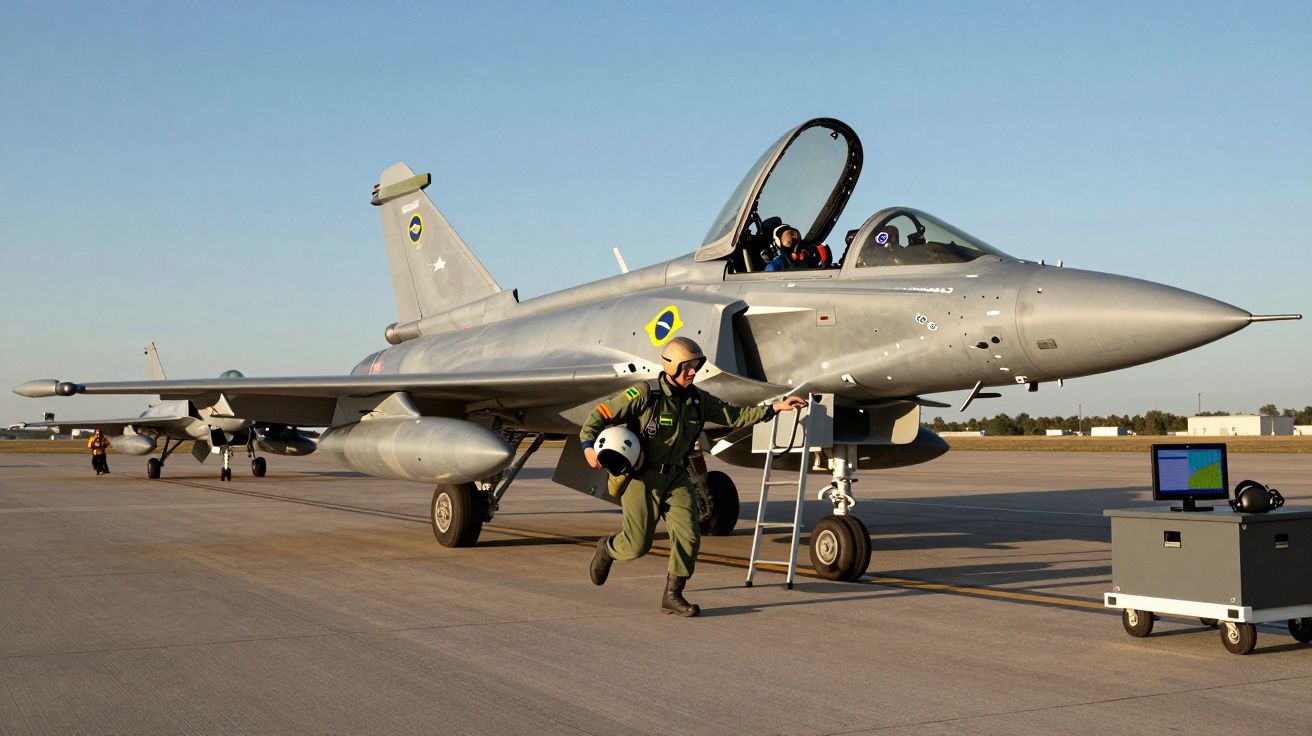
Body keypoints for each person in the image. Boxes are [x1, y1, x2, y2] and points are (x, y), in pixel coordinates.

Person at [580, 337, 807, 616]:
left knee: (689, 536)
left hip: (676, 477)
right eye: (687, 367)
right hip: (642, 478)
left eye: (696, 366)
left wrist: (773, 408)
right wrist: (589, 447)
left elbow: (733, 415)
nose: (693, 372)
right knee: (636, 546)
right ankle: (608, 548)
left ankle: (673, 595)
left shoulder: (698, 400)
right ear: (672, 366)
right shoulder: (644, 394)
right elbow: (599, 415)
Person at [763, 223, 832, 271]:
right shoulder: (775, 267)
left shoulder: (813, 251)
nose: (794, 236)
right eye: (789, 234)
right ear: (779, 242)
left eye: (793, 233)